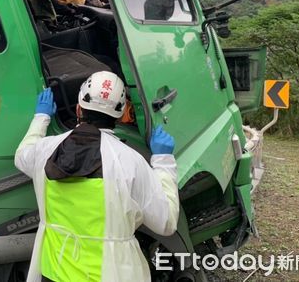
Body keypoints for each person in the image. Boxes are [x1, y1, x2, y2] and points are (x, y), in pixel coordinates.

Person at [15, 72, 179, 281]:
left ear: (78, 108)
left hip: (53, 272)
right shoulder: (129, 162)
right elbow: (166, 223)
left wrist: (41, 117)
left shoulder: (45, 150)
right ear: (121, 116)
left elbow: (22, 157)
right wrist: (164, 160)